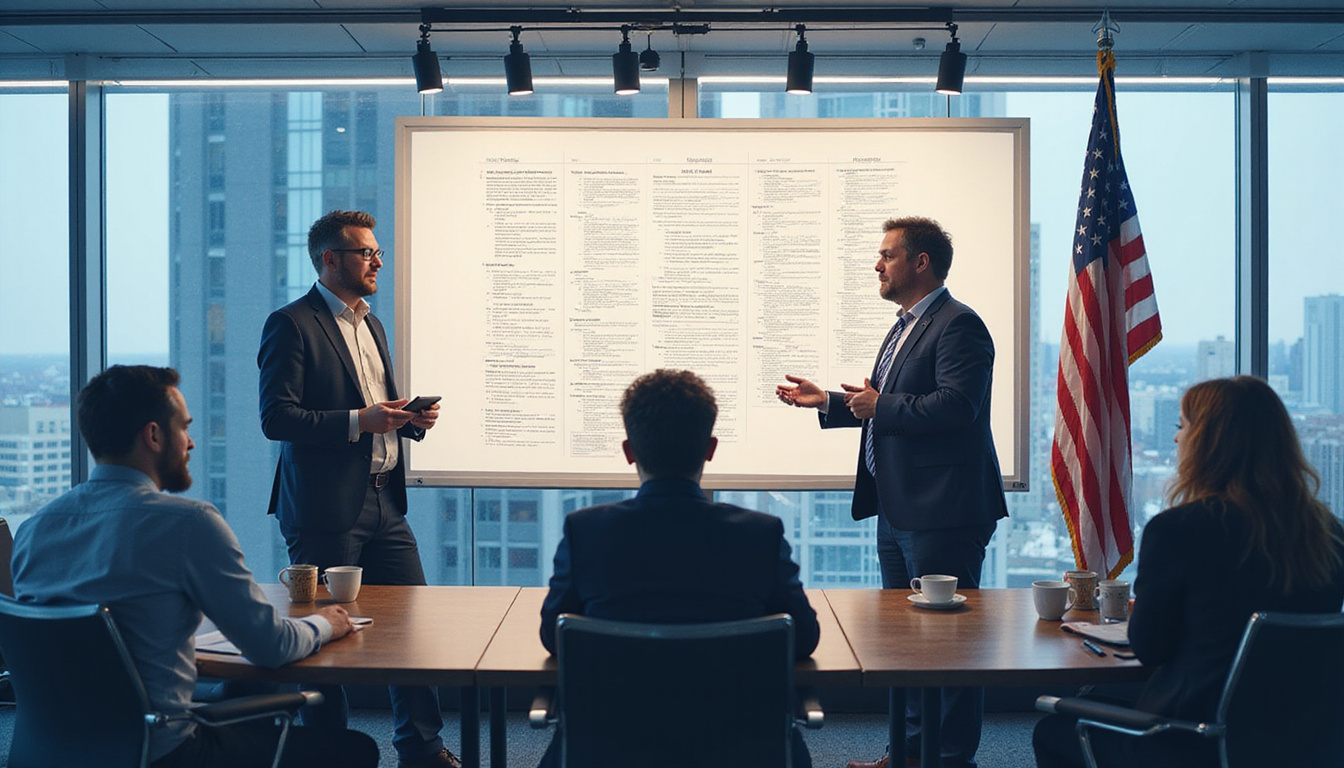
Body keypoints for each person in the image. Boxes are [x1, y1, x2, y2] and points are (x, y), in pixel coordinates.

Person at [10, 365, 378, 768]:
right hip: (162, 752)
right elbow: (271, 647)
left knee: (244, 696)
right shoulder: (189, 524)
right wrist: (328, 623)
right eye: (183, 428)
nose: (192, 443)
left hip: (51, 752)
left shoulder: (33, 530)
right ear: (153, 436)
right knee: (357, 750)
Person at [776, 216, 1008, 768]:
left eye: (886, 255)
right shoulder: (906, 325)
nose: (876, 265)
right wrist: (832, 402)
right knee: (908, 649)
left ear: (920, 262)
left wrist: (880, 405)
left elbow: (957, 407)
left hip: (944, 511)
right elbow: (892, 406)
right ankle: (905, 757)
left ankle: (947, 759)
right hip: (900, 508)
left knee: (949, 648)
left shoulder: (959, 325)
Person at [1033, 375, 1344, 768]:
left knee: (1055, 729)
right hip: (1299, 743)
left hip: (1188, 740)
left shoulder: (1178, 530)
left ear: (1209, 442)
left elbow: (1150, 648)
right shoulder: (1329, 534)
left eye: (1182, 426)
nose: (1177, 439)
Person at [539, 369, 821, 768]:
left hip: (610, 752)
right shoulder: (760, 534)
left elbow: (554, 635)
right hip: (740, 753)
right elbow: (804, 637)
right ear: (710, 448)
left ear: (629, 450)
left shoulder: (586, 531)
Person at [257, 209, 456, 768]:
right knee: (323, 638)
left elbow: (377, 406)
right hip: (323, 508)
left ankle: (421, 748)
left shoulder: (372, 323)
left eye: (378, 252)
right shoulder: (291, 323)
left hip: (384, 500)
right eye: (366, 253)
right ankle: (329, 753)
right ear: (329, 259)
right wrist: (356, 422)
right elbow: (277, 418)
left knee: (409, 627)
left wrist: (408, 419)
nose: (377, 262)